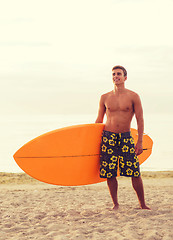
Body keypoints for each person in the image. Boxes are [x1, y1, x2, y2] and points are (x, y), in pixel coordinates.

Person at [95, 65, 150, 210]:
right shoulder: (104, 97)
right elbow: (98, 120)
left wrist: (140, 141)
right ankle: (115, 204)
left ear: (125, 77)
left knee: (134, 171)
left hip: (126, 137)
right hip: (108, 137)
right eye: (113, 74)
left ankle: (143, 204)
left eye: (119, 74)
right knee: (110, 172)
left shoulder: (133, 96)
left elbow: (140, 120)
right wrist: (92, 141)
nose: (116, 76)